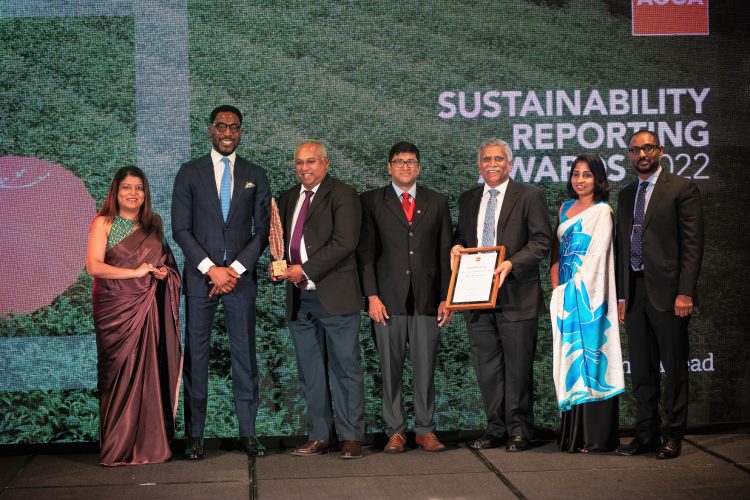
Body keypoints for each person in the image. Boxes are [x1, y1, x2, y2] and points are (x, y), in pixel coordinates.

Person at [171, 105, 271, 459]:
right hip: (202, 281)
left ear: (241, 132)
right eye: (222, 126)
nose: (228, 132)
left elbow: (263, 231)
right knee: (196, 357)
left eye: (234, 127)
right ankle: (194, 436)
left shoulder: (255, 174)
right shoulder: (189, 172)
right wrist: (211, 269)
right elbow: (180, 229)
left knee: (245, 357)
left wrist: (235, 270)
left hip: (240, 282)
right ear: (210, 130)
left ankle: (249, 434)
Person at [452, 138, 552, 452]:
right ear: (479, 164)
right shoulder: (468, 199)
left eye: (498, 159)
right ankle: (495, 428)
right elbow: (461, 237)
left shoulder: (530, 196)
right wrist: (456, 247)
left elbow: (541, 241)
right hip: (476, 298)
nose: (492, 164)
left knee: (518, 368)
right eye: (486, 159)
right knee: (488, 369)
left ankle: (520, 430)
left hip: (517, 296)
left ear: (510, 164)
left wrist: (511, 263)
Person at [356, 141, 453, 454]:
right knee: (390, 369)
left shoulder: (437, 202)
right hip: (387, 300)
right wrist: (371, 296)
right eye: (399, 161)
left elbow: (444, 253)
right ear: (389, 167)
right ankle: (395, 431)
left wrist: (446, 297)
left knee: (425, 369)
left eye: (411, 161)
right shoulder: (371, 201)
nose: (405, 166)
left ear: (419, 167)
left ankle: (425, 430)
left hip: (428, 300)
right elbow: (366, 254)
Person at [273, 140, 366, 459]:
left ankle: (351, 437)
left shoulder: (344, 194)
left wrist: (305, 270)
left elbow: (345, 242)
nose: (305, 168)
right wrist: (278, 267)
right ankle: (319, 435)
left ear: (325, 163)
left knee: (345, 368)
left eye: (311, 161)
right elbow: (281, 243)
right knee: (310, 371)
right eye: (299, 162)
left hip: (335, 295)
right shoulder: (288, 197)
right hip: (300, 299)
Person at [616, 130, 704, 460]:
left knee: (674, 368)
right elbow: (623, 248)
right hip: (635, 292)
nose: (641, 154)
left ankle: (673, 435)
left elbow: (693, 245)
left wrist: (685, 292)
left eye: (647, 148)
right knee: (642, 370)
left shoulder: (681, 188)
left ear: (660, 151)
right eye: (635, 150)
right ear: (629, 155)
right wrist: (622, 295)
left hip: (669, 293)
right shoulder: (626, 195)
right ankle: (646, 435)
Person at [86, 166, 182, 466]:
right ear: (116, 191)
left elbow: (165, 264)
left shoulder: (153, 224)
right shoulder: (104, 222)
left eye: (139, 188)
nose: (133, 193)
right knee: (120, 373)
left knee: (148, 372)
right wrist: (134, 272)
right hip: (115, 311)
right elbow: (93, 267)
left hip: (148, 309)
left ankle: (150, 446)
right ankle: (117, 448)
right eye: (127, 187)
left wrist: (164, 272)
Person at [549, 154, 624, 453]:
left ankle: (596, 438)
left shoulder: (603, 212)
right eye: (576, 174)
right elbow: (556, 254)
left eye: (587, 175)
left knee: (593, 358)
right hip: (565, 298)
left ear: (598, 179)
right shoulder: (564, 208)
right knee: (570, 357)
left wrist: (575, 290)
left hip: (591, 296)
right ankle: (573, 435)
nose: (580, 180)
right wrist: (558, 291)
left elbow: (597, 258)